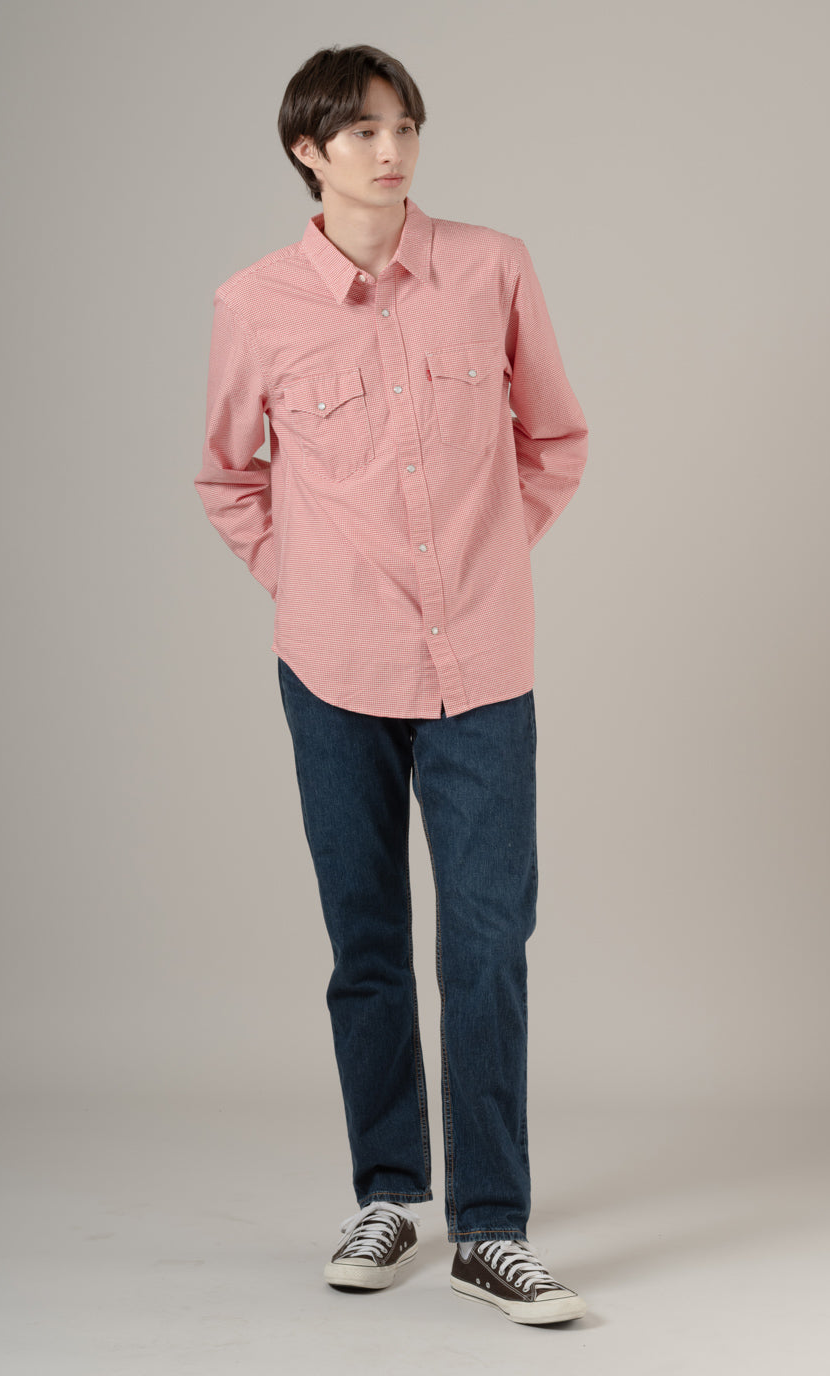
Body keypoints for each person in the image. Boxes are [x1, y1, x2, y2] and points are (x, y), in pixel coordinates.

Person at [194, 43, 590, 1325]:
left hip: (482, 661)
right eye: (363, 131)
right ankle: (387, 1191)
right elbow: (229, 476)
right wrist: (308, 581)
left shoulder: (493, 267)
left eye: (405, 125)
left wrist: (486, 560)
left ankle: (492, 1227)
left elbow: (554, 438)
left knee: (487, 939)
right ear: (308, 151)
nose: (391, 149)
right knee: (365, 939)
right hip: (332, 666)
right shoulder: (254, 304)